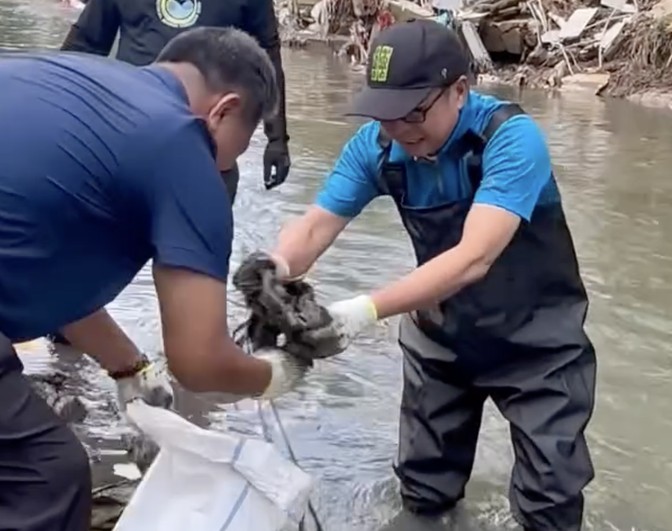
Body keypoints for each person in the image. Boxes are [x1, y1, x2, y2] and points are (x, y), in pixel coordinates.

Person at [267, 20, 597, 531]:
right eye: (385, 114)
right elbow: (313, 227)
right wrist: (273, 273)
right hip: (441, 343)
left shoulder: (509, 140)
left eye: (412, 112)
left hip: (540, 349)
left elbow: (473, 258)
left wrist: (364, 311)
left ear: (460, 91)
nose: (398, 129)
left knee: (549, 505)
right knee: (424, 495)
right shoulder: (376, 148)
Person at [0, 28, 307, 531]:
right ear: (225, 110)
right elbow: (198, 361)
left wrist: (130, 369)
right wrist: (276, 374)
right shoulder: (181, 142)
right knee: (46, 478)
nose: (226, 164)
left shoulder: (82, 87)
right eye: (241, 147)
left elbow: (47, 274)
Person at [60, 0, 291, 204]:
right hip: (128, 142)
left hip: (209, 148)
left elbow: (267, 61)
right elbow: (84, 47)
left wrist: (277, 139)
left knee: (201, 244)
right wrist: (61, 125)